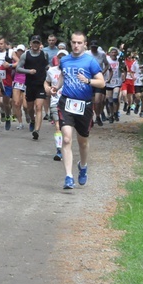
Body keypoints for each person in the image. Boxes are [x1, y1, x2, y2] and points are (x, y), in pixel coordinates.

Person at [53, 32, 105, 189]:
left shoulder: (90, 62)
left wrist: (88, 80)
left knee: (82, 141)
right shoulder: (65, 60)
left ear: (85, 44)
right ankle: (68, 177)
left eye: (79, 43)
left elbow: (101, 83)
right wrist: (57, 86)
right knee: (67, 139)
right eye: (74, 42)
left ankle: (83, 166)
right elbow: (63, 75)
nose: (76, 45)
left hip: (84, 105)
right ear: (70, 43)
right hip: (66, 102)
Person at [15, 35, 49, 140]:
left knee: (39, 107)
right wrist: (28, 71)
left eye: (37, 43)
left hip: (40, 85)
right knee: (29, 108)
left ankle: (36, 130)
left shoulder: (44, 54)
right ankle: (32, 120)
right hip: (29, 85)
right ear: (31, 43)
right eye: (34, 42)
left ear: (40, 44)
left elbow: (46, 66)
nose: (35, 45)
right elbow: (18, 68)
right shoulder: (26, 55)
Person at [45, 49, 67, 161]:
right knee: (58, 126)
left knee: (66, 128)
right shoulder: (51, 70)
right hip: (55, 101)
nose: (61, 59)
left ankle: (65, 148)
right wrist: (48, 89)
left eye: (64, 57)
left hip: (69, 102)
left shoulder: (71, 70)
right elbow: (46, 82)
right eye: (60, 57)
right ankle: (59, 150)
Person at [0, 36, 16, 132]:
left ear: (5, 44)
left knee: (6, 103)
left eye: (1, 43)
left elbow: (19, 63)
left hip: (7, 81)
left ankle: (7, 116)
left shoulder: (10, 52)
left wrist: (10, 65)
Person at [86, 40, 108, 126]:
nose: (94, 48)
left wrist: (102, 72)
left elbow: (107, 64)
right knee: (91, 101)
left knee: (98, 101)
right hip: (89, 80)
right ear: (90, 47)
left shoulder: (102, 54)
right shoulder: (86, 54)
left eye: (95, 47)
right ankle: (91, 117)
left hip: (98, 79)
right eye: (92, 47)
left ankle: (98, 116)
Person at [104, 47, 123, 123]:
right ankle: (111, 115)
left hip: (117, 82)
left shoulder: (119, 60)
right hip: (109, 82)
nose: (114, 54)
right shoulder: (107, 60)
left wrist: (123, 76)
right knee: (110, 100)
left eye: (115, 52)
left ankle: (116, 112)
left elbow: (124, 69)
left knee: (115, 98)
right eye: (112, 52)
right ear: (109, 53)